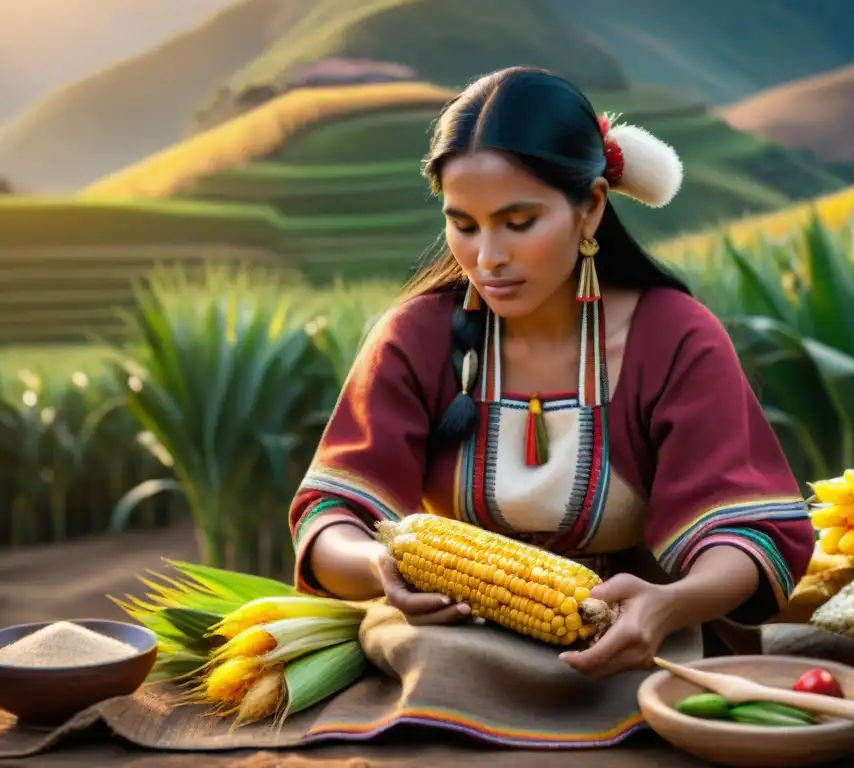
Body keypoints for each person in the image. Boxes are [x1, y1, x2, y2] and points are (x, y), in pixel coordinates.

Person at [288, 67, 815, 682]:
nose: (488, 258)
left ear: (590, 208)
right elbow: (332, 514)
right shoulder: (413, 339)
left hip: (632, 656)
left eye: (518, 223)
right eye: (464, 225)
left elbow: (748, 529)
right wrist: (380, 565)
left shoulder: (675, 338)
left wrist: (670, 603)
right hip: (444, 654)